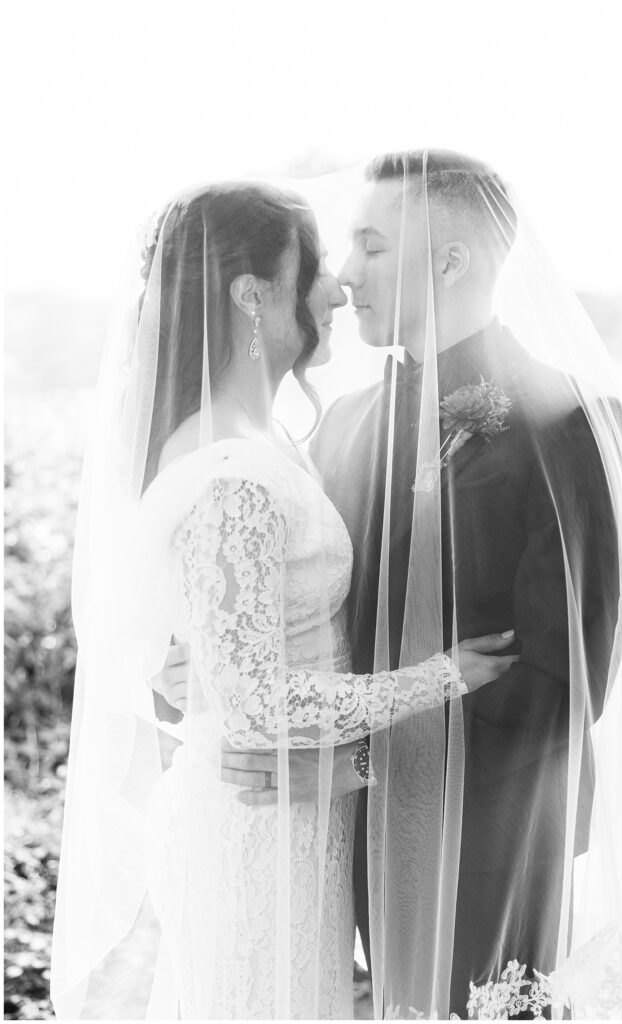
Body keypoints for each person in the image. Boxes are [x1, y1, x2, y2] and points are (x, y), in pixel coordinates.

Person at [51, 179, 518, 1020]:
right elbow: (257, 702)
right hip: (251, 827)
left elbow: (235, 647)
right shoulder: (230, 472)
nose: (338, 284)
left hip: (294, 816)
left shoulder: (263, 439)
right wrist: (444, 675)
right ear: (251, 293)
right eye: (313, 267)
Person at [202, 151, 622, 1018]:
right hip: (341, 837)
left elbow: (563, 672)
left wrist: (353, 761)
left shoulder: (568, 422)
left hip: (496, 838)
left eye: (371, 245)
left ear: (452, 261)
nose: (342, 273)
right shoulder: (343, 420)